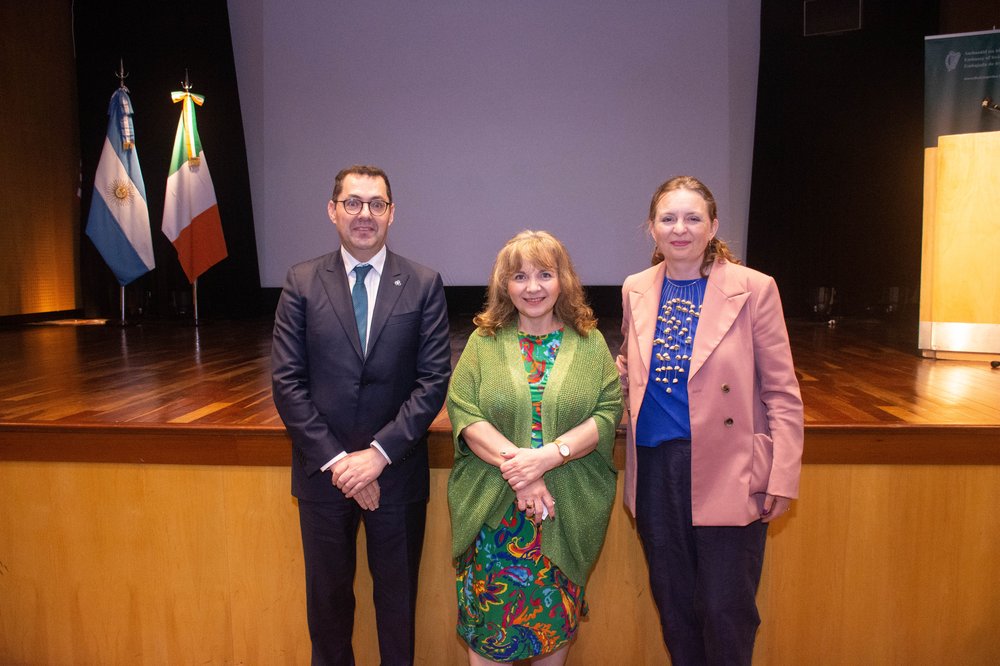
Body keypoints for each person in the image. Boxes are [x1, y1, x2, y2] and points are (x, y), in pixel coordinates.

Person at [617, 176, 803, 666]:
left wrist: (781, 474)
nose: (680, 228)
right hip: (658, 470)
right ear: (652, 228)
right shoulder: (635, 288)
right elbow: (626, 368)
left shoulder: (755, 289)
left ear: (713, 225)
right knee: (675, 608)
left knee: (725, 611)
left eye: (693, 217)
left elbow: (781, 390)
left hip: (729, 467)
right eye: (668, 218)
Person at [271, 165, 452, 666]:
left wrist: (376, 456)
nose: (364, 214)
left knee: (397, 608)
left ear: (392, 213)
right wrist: (340, 463)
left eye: (376, 204)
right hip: (323, 476)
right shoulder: (301, 282)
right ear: (332, 211)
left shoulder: (422, 283)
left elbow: (433, 381)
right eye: (353, 203)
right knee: (327, 608)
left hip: (396, 474)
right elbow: (287, 383)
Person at [447, 230, 623, 666]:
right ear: (504, 285)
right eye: (520, 276)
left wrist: (547, 458)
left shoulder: (589, 342)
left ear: (563, 280)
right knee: (488, 644)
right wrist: (523, 475)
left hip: (561, 519)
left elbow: (607, 412)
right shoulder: (483, 342)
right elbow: (464, 411)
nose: (532, 287)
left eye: (545, 274)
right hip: (495, 524)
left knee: (551, 639)